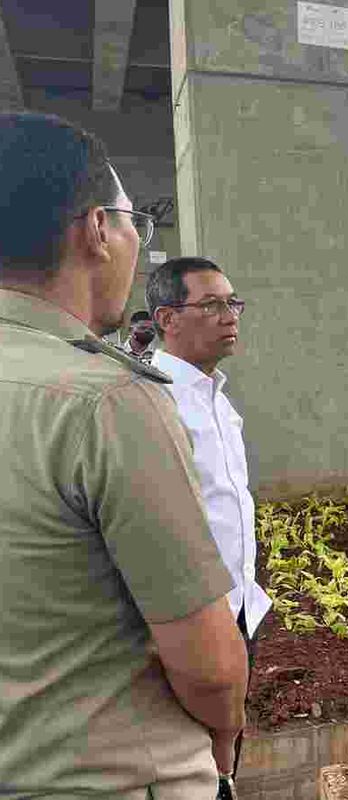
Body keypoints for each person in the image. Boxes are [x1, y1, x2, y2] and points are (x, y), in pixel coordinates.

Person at [0, 113, 247, 795]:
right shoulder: (105, 402)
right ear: (97, 231)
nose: (229, 317)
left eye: (235, 304)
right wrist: (226, 731)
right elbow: (208, 666)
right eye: (135, 221)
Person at [147, 257, 270, 783]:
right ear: (167, 318)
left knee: (226, 754)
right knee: (190, 756)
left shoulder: (217, 398)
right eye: (212, 304)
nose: (229, 315)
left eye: (233, 303)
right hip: (190, 614)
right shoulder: (152, 399)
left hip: (239, 604)